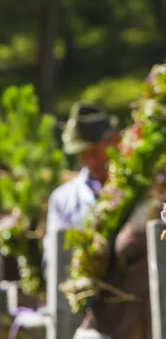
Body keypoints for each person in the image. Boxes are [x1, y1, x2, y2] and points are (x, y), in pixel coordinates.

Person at [42, 103, 119, 263]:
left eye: (94, 151)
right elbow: (52, 259)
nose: (90, 161)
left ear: (113, 141)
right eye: (82, 154)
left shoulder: (138, 187)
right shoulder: (62, 199)